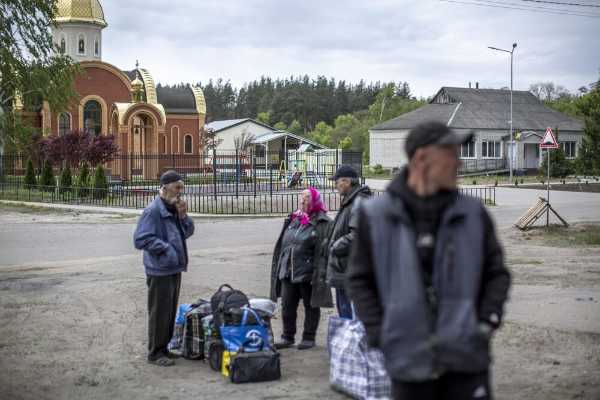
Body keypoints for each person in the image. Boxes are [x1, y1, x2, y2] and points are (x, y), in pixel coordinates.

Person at [347, 121, 511, 400]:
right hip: (408, 364)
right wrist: (380, 334)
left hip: (466, 361)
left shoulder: (473, 213)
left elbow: (496, 274)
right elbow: (360, 280)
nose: (459, 162)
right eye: (451, 153)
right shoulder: (375, 216)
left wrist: (485, 322)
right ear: (422, 158)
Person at [134, 170, 195, 367]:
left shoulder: (172, 208)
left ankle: (164, 348)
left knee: (169, 312)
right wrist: (166, 249)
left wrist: (183, 216)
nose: (180, 192)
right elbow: (140, 239)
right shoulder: (153, 211)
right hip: (159, 269)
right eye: (177, 187)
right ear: (165, 188)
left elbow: (186, 232)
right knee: (159, 312)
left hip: (173, 268)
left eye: (181, 188)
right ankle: (155, 353)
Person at [270, 187, 332, 350]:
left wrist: (319, 272)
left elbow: (324, 250)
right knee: (287, 305)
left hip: (308, 272)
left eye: (307, 198)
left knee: (311, 306)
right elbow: (284, 243)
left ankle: (309, 337)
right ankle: (287, 337)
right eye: (301, 197)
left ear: (315, 201)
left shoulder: (322, 222)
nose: (302, 200)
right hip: (288, 270)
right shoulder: (294, 218)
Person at [326, 165, 371, 318]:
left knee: (351, 319)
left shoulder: (359, 201)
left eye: (337, 181)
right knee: (346, 316)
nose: (336, 185)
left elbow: (358, 235)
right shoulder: (350, 201)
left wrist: (335, 246)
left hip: (351, 271)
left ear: (346, 182)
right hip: (345, 270)